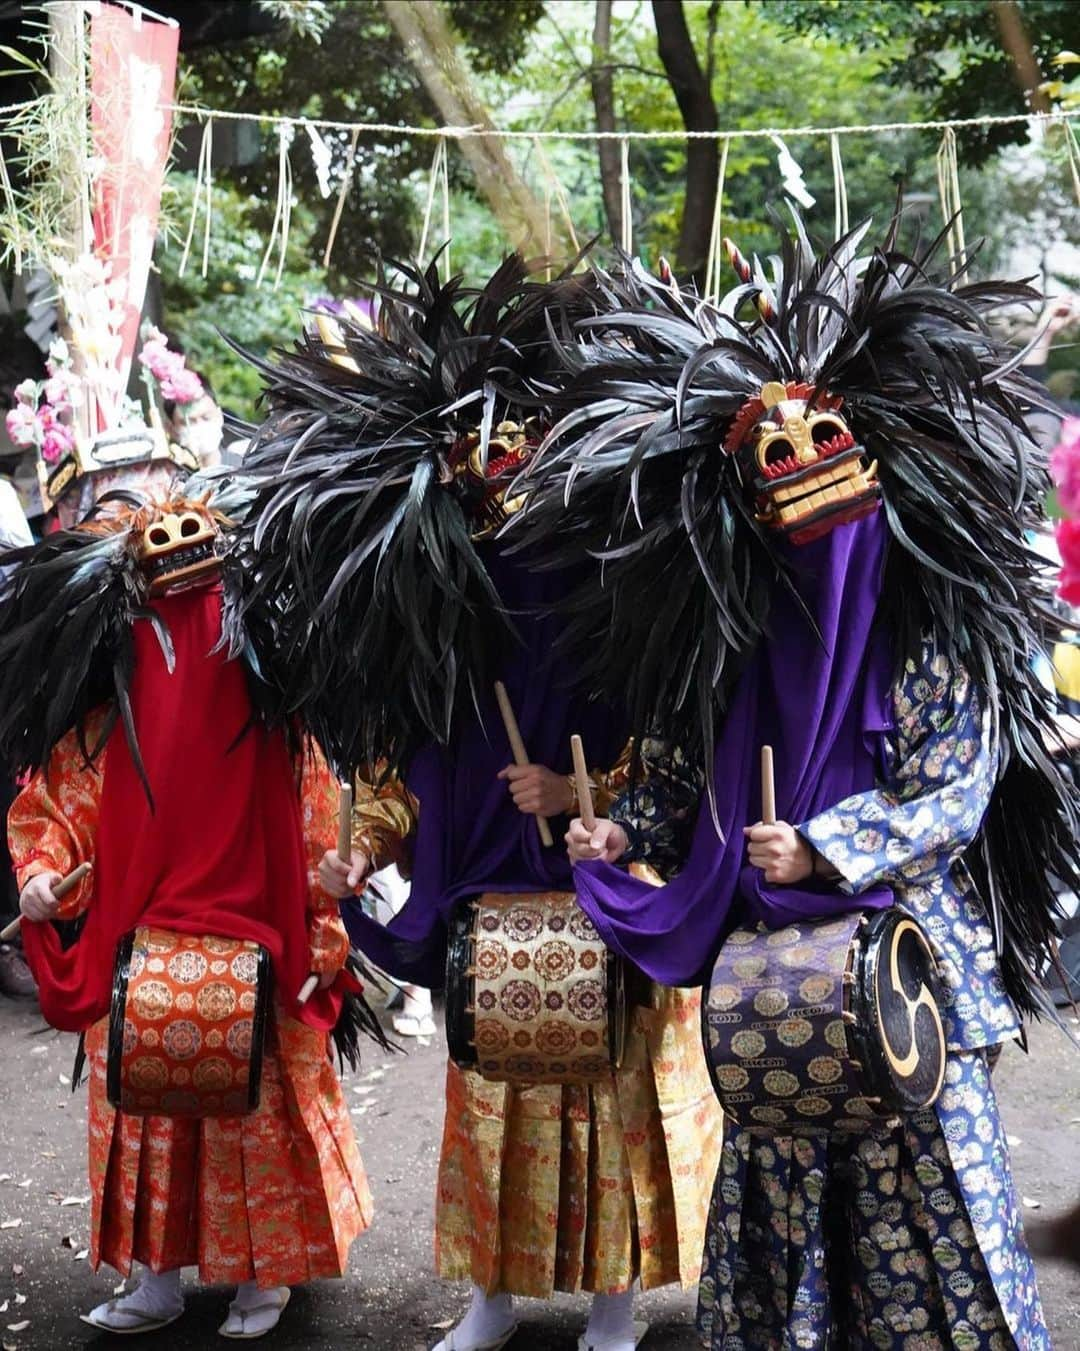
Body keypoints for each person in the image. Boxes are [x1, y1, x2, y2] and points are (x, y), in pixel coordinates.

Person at [510, 220, 1077, 1347]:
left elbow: (953, 788)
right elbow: (675, 786)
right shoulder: (720, 640)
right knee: (787, 1225)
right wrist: (620, 836)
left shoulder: (930, 634)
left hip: (908, 969)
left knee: (934, 1219)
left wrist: (830, 847)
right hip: (773, 990)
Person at [231, 257, 723, 1351]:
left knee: (614, 1113)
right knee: (492, 1109)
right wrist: (363, 847)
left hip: (608, 897)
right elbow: (408, 774)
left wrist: (579, 792)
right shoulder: (450, 616)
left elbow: (680, 756)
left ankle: (614, 1303)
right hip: (490, 901)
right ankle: (495, 1296)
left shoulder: (623, 585)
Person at [1, 491, 377, 1338]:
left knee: (261, 1110)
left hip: (256, 923)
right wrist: (42, 871)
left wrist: (322, 913)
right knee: (144, 1114)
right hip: (142, 925)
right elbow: (61, 797)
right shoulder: (118, 686)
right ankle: (156, 1274)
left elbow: (314, 804)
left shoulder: (269, 680)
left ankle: (264, 1275)